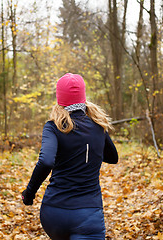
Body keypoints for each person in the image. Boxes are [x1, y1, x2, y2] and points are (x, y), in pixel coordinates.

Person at [21, 73, 118, 240]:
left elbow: (46, 161)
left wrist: (29, 193)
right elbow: (112, 157)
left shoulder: (53, 127)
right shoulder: (98, 126)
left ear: (60, 99)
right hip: (89, 215)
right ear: (83, 97)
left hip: (54, 214)